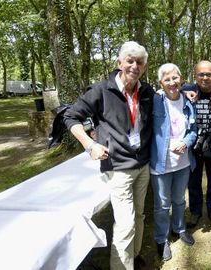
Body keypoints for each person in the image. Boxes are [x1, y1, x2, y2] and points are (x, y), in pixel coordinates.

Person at [63, 41, 154, 270]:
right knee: (125, 224)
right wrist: (89, 144)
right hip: (118, 167)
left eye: (139, 62)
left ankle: (134, 256)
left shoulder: (146, 91)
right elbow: (71, 117)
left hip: (142, 165)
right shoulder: (101, 90)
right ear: (119, 63)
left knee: (139, 216)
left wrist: (188, 93)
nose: (134, 66)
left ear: (144, 67)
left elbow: (170, 96)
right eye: (130, 60)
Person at [150, 63, 197, 261]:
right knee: (162, 205)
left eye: (175, 78)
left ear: (181, 79)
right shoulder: (155, 101)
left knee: (179, 200)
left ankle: (179, 229)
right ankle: (161, 239)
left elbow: (193, 130)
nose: (172, 82)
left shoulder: (188, 102)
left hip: (183, 163)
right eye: (167, 79)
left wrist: (185, 143)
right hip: (160, 164)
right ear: (161, 82)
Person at [182, 60, 211, 230]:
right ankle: (195, 211)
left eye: (209, 74)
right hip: (194, 145)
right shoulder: (186, 90)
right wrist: (183, 94)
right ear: (195, 75)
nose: (205, 78)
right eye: (201, 74)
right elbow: (165, 93)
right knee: (194, 180)